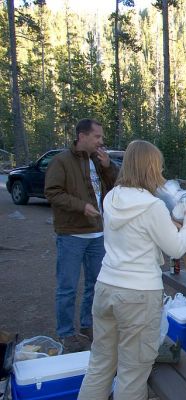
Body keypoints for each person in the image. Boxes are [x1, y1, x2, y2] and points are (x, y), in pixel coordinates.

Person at [78, 140, 186, 400]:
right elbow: (176, 249)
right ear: (150, 167)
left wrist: (167, 224)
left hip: (107, 287)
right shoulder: (152, 206)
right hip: (139, 295)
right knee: (132, 374)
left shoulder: (111, 197)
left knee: (100, 366)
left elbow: (135, 235)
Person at [44, 119, 118, 352]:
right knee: (67, 286)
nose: (101, 142)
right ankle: (66, 333)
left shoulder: (99, 160)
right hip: (72, 234)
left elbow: (116, 186)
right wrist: (81, 206)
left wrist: (108, 167)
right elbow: (52, 192)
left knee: (95, 284)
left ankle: (88, 324)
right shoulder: (61, 161)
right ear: (82, 136)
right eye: (97, 137)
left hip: (97, 233)